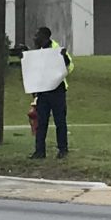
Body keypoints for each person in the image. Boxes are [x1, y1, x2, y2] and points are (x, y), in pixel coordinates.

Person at [27, 25, 73, 160]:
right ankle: (39, 151)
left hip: (56, 90)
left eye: (37, 35)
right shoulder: (39, 51)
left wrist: (64, 58)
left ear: (45, 37)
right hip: (43, 91)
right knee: (41, 123)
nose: (35, 38)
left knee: (60, 121)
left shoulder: (56, 49)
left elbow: (69, 66)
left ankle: (63, 150)